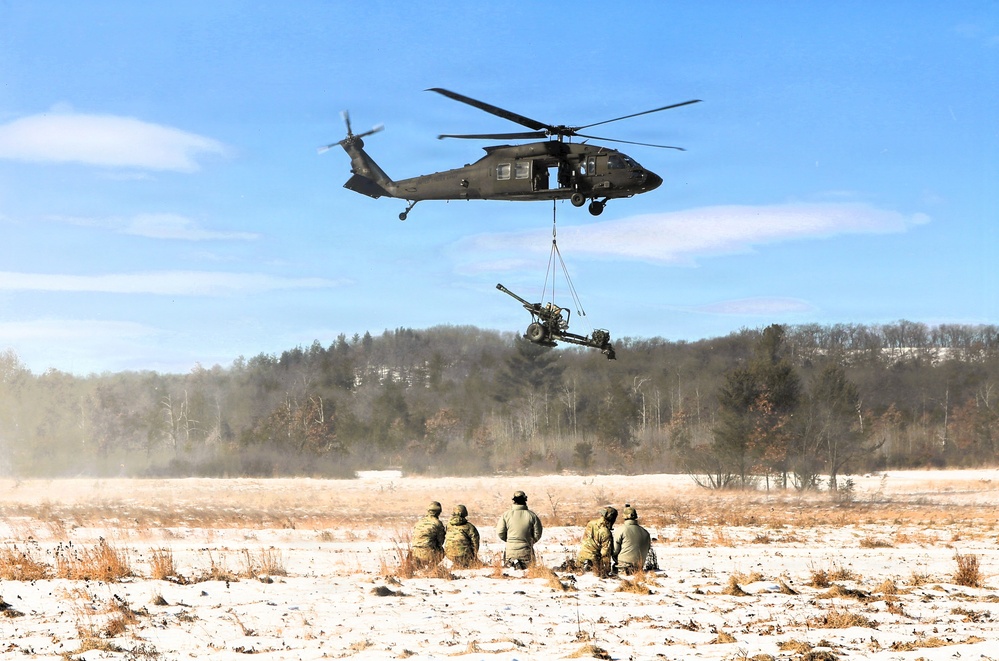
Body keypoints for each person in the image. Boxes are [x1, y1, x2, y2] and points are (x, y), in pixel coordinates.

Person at [496, 490, 543, 569]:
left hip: (510, 552)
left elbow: (500, 532)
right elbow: (538, 533)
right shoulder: (532, 516)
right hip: (527, 551)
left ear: (514, 501)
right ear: (525, 501)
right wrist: (529, 542)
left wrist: (510, 540)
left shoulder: (506, 515)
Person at [577, 506, 618, 574]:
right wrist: (606, 570)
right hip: (594, 563)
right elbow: (605, 553)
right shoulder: (606, 532)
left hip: (581, 558)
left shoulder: (591, 523)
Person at [613, 504, 652, 575]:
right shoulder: (645, 532)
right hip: (639, 567)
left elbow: (615, 550)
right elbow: (648, 548)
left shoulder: (621, 530)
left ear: (624, 516)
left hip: (623, 567)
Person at [411, 501, 445, 568]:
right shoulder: (437, 523)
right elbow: (441, 541)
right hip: (429, 552)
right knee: (441, 551)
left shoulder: (420, 522)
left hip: (415, 552)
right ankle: (432, 567)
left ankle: (419, 567)